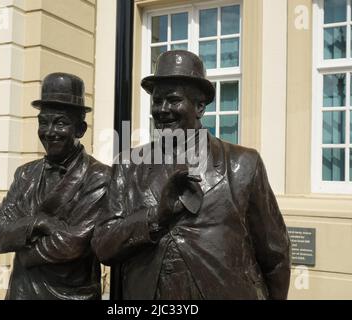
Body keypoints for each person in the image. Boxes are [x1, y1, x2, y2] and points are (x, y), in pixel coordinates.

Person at [92, 50, 291, 300]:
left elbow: (275, 253)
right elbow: (103, 246)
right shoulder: (128, 165)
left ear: (199, 106)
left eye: (173, 100)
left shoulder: (243, 164)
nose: (162, 109)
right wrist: (155, 217)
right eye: (157, 101)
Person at [0, 72, 110, 300]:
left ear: (81, 130)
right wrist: (36, 222)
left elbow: (72, 244)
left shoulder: (99, 177)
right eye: (43, 122)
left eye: (61, 123)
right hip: (21, 292)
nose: (50, 131)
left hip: (71, 296)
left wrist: (23, 250)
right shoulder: (25, 174)